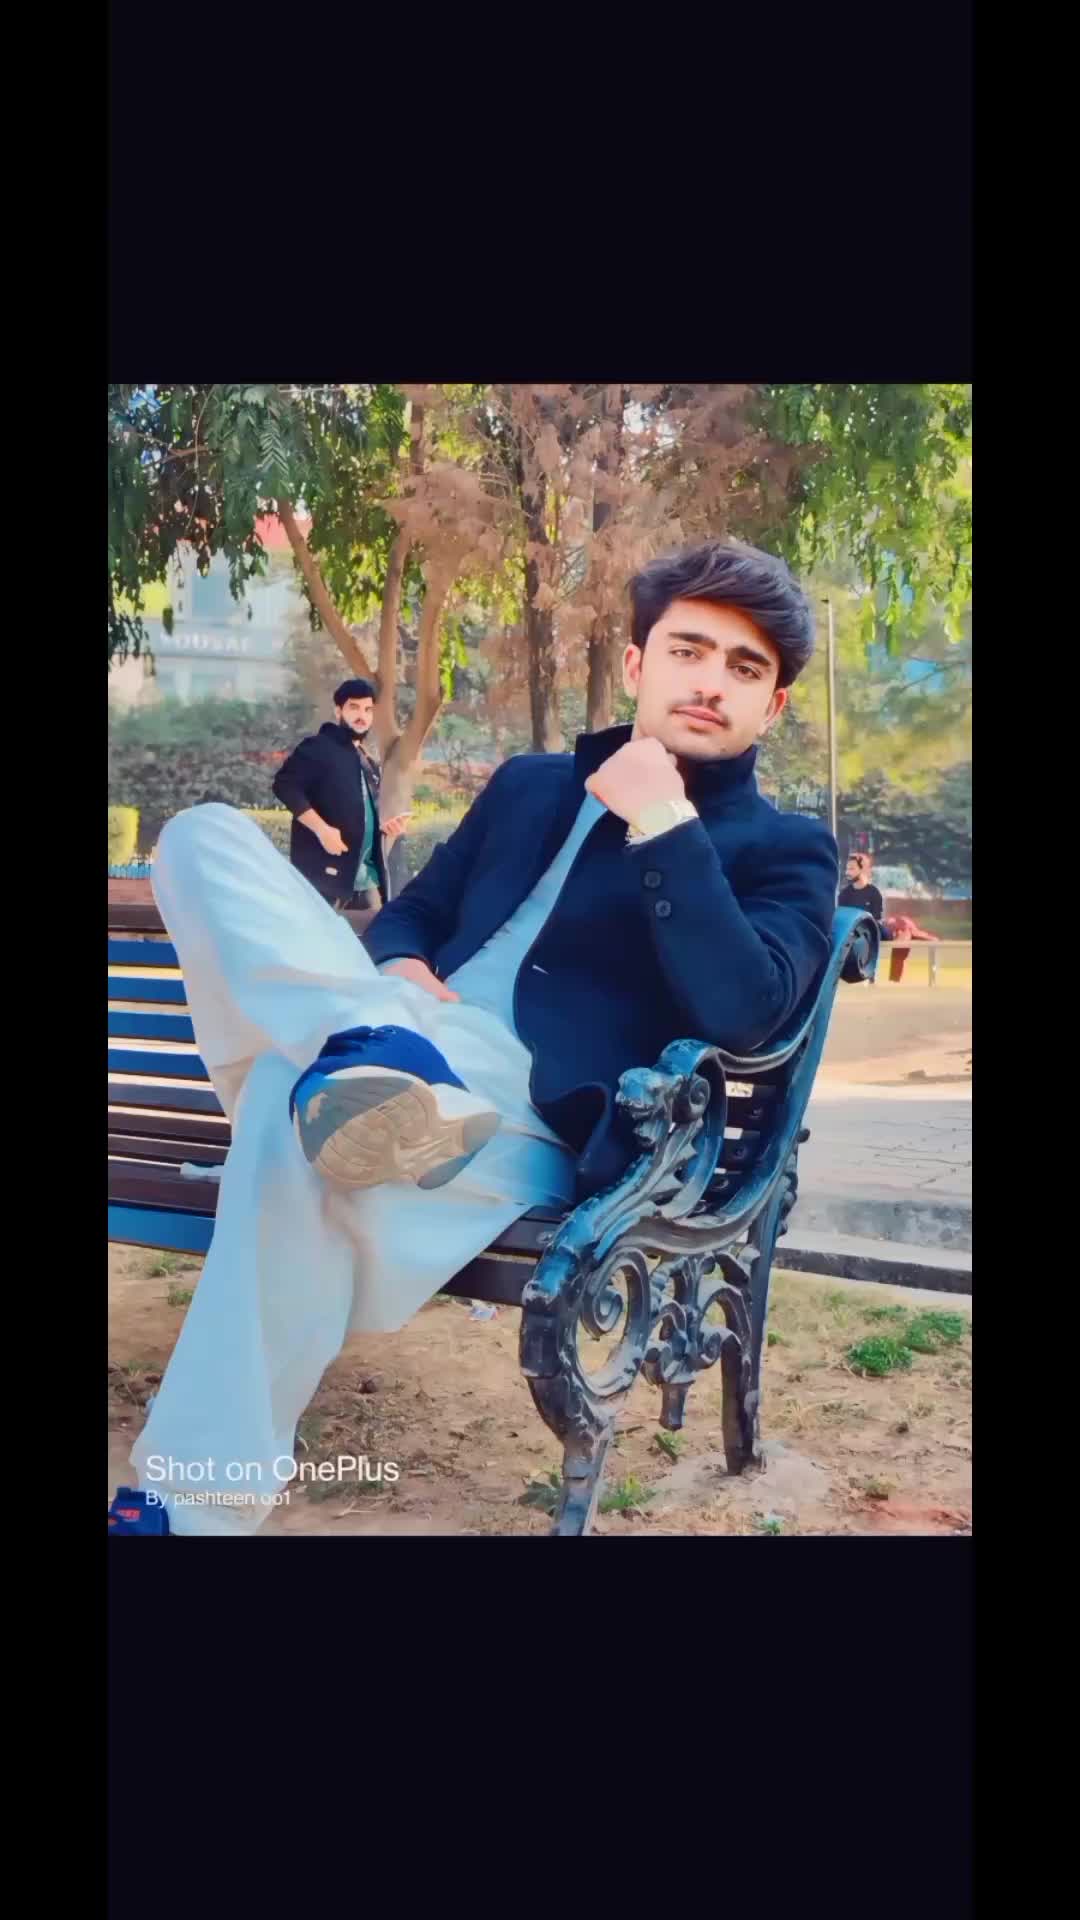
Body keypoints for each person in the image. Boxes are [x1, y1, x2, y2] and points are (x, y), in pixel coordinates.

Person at [125, 540, 839, 1536]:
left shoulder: (786, 848)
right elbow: (416, 912)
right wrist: (397, 970)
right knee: (203, 834)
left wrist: (666, 821)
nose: (712, 682)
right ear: (639, 664)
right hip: (407, 1042)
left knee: (288, 1121)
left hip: (528, 1122)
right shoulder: (530, 785)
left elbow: (747, 1010)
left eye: (745, 668)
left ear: (774, 706)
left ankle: (183, 1509)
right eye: (689, 651)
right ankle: (371, 1049)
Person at [272, 677, 409, 910]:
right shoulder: (318, 747)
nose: (361, 715)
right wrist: (322, 829)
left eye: (367, 709)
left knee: (374, 933)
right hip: (325, 881)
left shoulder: (367, 761)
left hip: (368, 882)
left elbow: (360, 817)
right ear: (338, 711)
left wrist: (387, 830)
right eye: (353, 707)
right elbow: (285, 786)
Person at [838, 852, 884, 923]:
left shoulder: (874, 894)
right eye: (847, 869)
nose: (847, 872)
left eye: (851, 869)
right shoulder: (844, 894)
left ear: (863, 869)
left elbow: (877, 922)